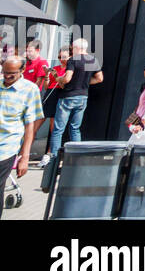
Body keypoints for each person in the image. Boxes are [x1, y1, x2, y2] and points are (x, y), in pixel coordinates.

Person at [45, 37, 103, 164]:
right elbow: (99, 78)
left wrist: (58, 78)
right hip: (83, 96)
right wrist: (86, 83)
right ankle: (77, 157)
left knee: (58, 129)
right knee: (75, 128)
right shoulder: (93, 60)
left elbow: (67, 79)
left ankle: (54, 159)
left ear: (76, 47)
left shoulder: (73, 60)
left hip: (68, 96)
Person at [1, 56, 43, 217]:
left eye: (11, 73)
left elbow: (30, 125)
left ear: (22, 70)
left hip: (6, 148)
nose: (7, 76)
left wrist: (24, 157)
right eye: (5, 72)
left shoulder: (30, 90)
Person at [32, 46, 69, 163]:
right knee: (34, 125)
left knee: (54, 128)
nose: (61, 59)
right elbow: (46, 86)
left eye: (64, 57)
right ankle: (24, 150)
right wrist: (47, 75)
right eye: (59, 57)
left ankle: (49, 153)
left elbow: (63, 85)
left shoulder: (69, 69)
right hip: (49, 95)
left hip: (58, 95)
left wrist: (56, 76)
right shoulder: (55, 67)